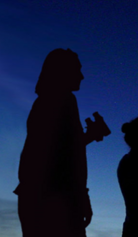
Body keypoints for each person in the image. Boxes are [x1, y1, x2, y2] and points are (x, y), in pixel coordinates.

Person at [14, 48, 108, 237]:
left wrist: (88, 136)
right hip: (55, 199)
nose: (82, 76)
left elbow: (60, 148)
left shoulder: (47, 101)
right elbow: (64, 157)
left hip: (40, 196)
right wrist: (81, 197)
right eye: (77, 70)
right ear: (62, 71)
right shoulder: (64, 100)